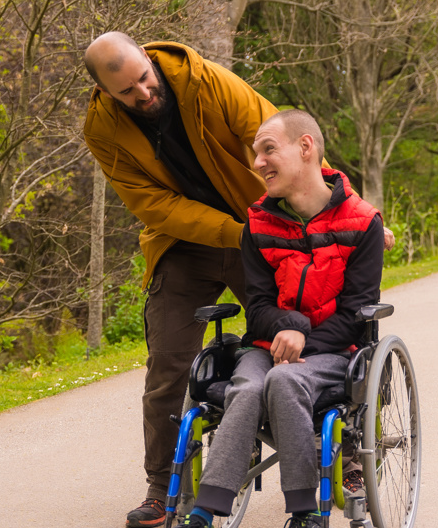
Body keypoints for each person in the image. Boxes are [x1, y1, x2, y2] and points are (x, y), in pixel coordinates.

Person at [79, 33, 389, 528]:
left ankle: (347, 458)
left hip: (272, 227)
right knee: (169, 364)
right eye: (126, 92)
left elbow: (285, 141)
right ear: (102, 92)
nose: (142, 93)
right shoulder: (102, 129)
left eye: (144, 77)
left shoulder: (206, 82)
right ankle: (162, 489)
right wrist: (240, 232)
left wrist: (346, 209)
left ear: (146, 56)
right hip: (190, 241)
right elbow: (149, 203)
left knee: (311, 330)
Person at [176, 110, 384, 528]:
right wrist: (286, 327)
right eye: (256, 153)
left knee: (284, 380)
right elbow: (258, 304)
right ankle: (203, 512)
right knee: (248, 384)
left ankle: (305, 512)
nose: (257, 163)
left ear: (305, 147)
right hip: (266, 346)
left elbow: (356, 313)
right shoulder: (256, 223)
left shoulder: (364, 224)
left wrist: (304, 338)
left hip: (334, 353)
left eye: (268, 149)